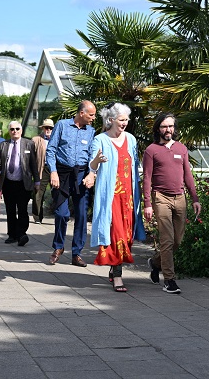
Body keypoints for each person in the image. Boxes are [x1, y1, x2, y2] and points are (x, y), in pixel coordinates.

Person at [83, 103, 146, 292]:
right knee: (115, 234)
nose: (125, 123)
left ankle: (114, 268)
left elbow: (134, 167)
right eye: (121, 120)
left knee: (127, 236)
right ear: (111, 120)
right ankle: (118, 275)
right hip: (111, 197)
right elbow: (92, 166)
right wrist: (96, 162)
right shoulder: (100, 140)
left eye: (127, 119)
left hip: (129, 197)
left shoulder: (132, 139)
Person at [142, 113, 202, 294]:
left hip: (180, 197)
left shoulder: (181, 148)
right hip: (161, 198)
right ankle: (169, 280)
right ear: (158, 129)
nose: (168, 130)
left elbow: (188, 176)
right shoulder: (151, 150)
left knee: (177, 241)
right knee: (167, 240)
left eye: (171, 126)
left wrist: (195, 199)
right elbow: (146, 178)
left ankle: (155, 262)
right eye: (164, 127)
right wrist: (148, 204)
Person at [46, 100, 96, 267]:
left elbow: (91, 155)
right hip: (62, 174)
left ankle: (77, 253)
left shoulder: (91, 131)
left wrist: (91, 174)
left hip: (81, 174)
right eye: (91, 115)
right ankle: (58, 247)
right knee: (62, 213)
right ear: (81, 113)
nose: (93, 118)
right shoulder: (62, 125)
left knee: (81, 214)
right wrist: (53, 171)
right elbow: (51, 149)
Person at [0, 121, 39, 247]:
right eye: (12, 129)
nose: (15, 131)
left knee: (23, 210)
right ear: (9, 131)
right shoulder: (3, 145)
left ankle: (21, 234)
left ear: (21, 130)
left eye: (17, 129)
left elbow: (34, 164)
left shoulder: (29, 144)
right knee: (10, 210)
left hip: (23, 183)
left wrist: (37, 181)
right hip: (8, 182)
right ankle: (12, 235)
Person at [31, 118, 54, 224]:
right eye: (46, 128)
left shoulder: (56, 139)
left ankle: (60, 215)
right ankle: (37, 216)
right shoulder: (36, 140)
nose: (48, 130)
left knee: (58, 192)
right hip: (42, 168)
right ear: (43, 128)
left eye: (50, 128)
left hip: (54, 169)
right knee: (38, 192)